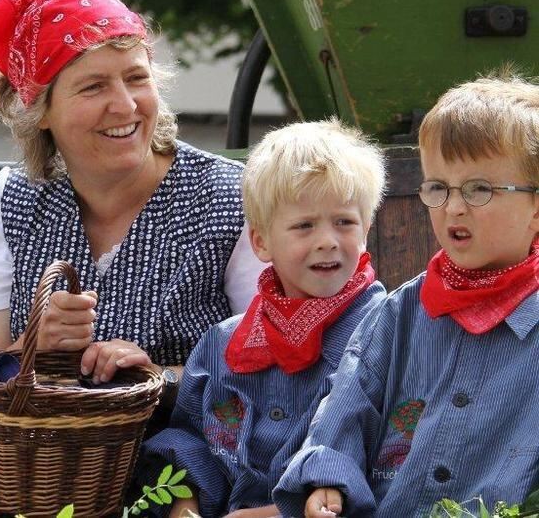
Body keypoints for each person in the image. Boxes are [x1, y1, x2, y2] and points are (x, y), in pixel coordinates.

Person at [0, 0, 264, 515]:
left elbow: (269, 361)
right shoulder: (14, 199)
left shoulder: (227, 196)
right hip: (34, 476)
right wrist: (33, 348)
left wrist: (161, 375)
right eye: (93, 86)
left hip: (183, 472)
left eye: (137, 78)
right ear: (40, 110)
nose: (124, 105)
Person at [273, 69, 539, 517]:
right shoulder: (398, 313)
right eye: (439, 187)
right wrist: (327, 480)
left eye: (479, 189)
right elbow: (347, 403)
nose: (454, 206)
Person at [141, 120, 388, 518]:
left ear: (365, 231)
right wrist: (183, 505)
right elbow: (188, 438)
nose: (327, 239)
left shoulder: (386, 335)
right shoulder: (223, 343)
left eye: (344, 221)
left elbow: (390, 458)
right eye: (304, 225)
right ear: (261, 242)